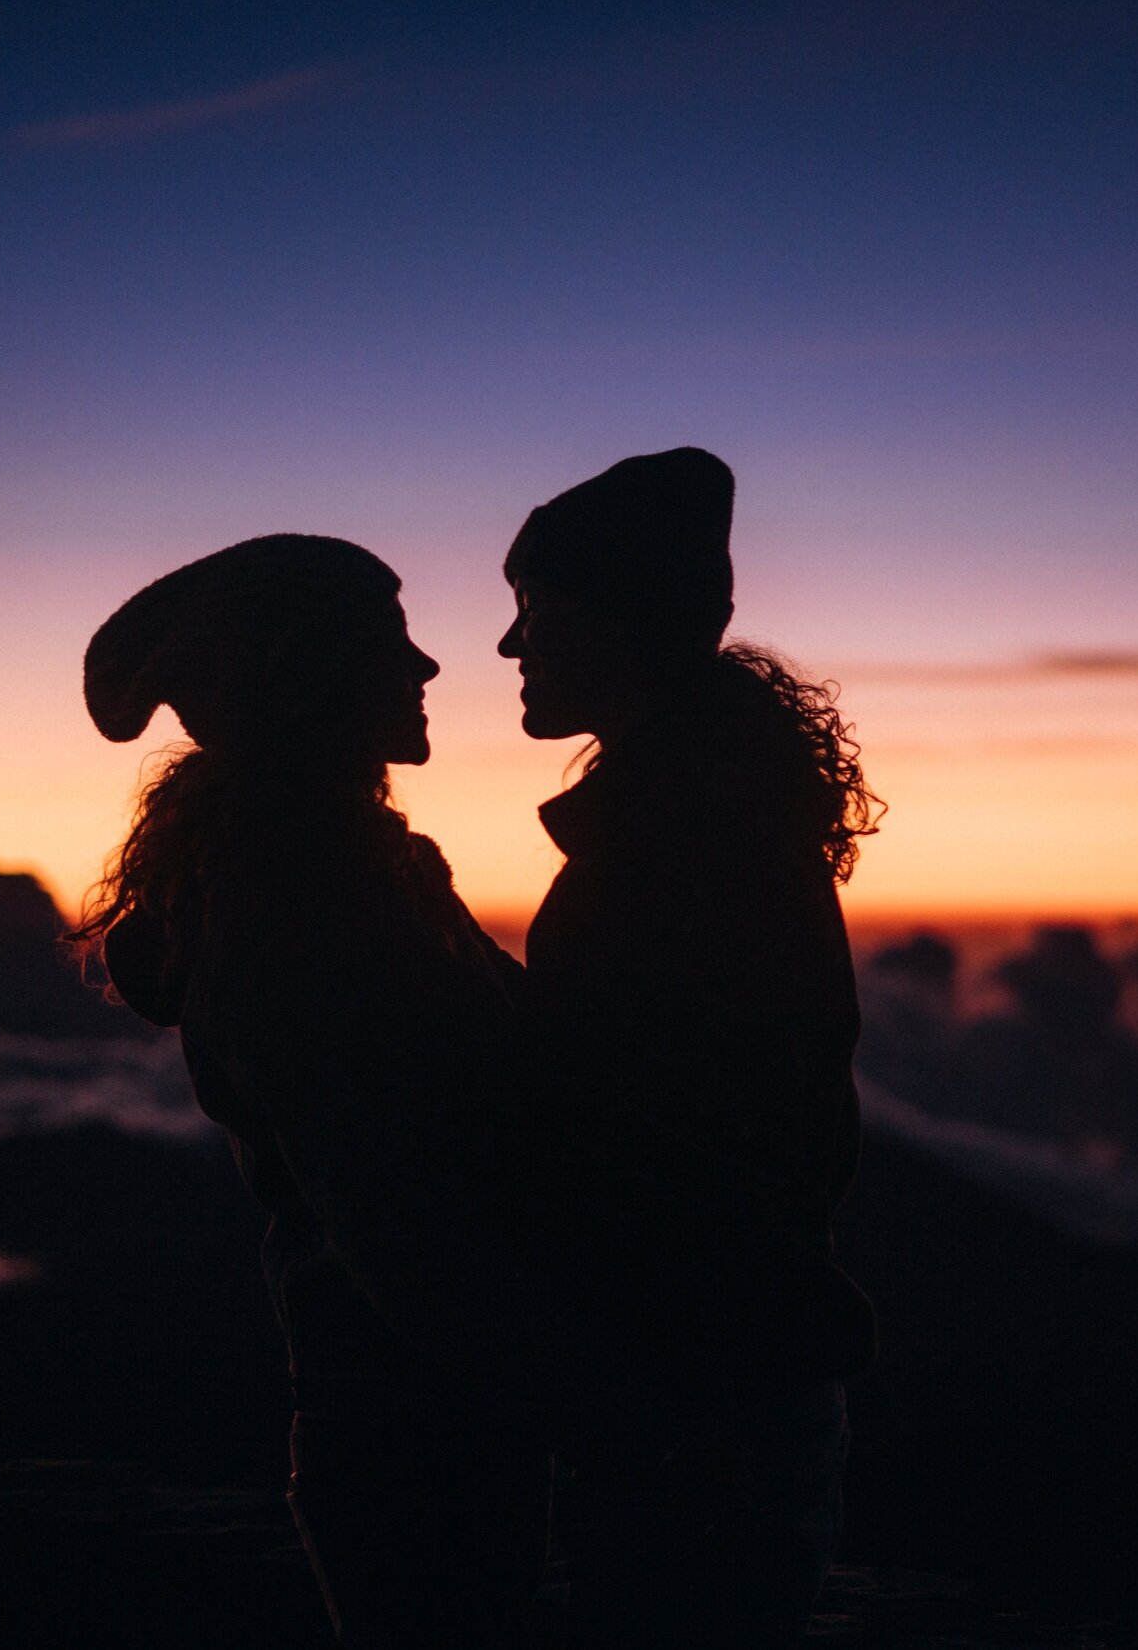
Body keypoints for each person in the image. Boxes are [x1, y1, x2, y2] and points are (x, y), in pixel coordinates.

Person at [75, 534, 557, 1648]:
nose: (428, 667)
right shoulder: (312, 905)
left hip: (420, 1414)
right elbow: (395, 1215)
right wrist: (589, 1395)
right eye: (389, 644)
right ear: (305, 676)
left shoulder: (364, 866)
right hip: (417, 1430)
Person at [497, 448, 880, 1648]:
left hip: (691, 1393)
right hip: (714, 1374)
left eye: (534, 610)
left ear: (625, 619)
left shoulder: (679, 842)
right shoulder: (700, 810)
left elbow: (666, 1131)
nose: (510, 648)